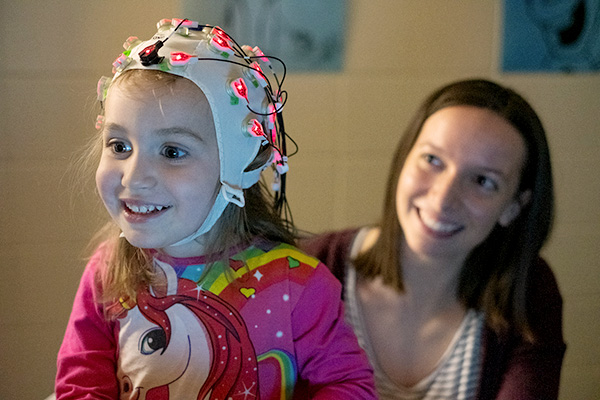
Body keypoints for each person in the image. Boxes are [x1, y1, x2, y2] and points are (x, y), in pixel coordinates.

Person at [55, 18, 375, 399]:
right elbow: (81, 384)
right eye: (119, 146)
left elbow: (349, 386)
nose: (133, 177)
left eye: (172, 152)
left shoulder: (298, 287)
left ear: (240, 166)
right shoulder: (107, 274)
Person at [301, 79, 566, 400]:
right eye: (432, 160)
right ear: (404, 160)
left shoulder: (527, 291)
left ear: (513, 206)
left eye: (483, 181)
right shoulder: (307, 269)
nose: (443, 199)